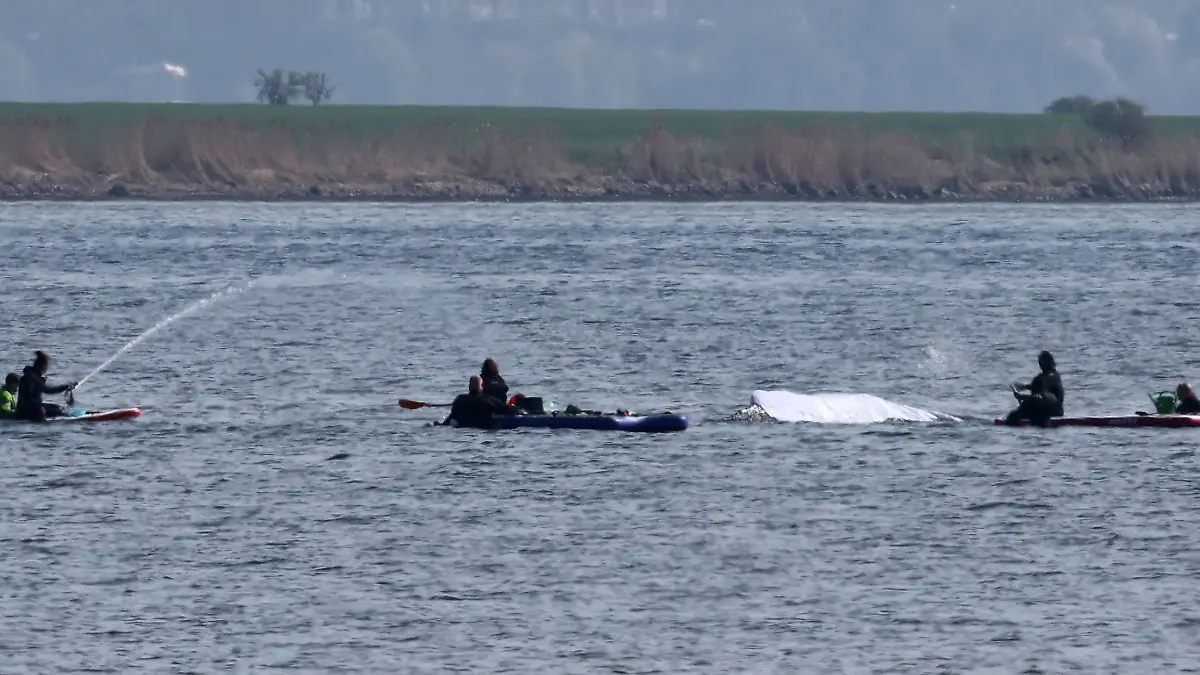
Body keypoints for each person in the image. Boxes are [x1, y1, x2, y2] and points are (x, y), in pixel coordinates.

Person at [1004, 350, 1064, 427]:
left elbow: (1042, 394)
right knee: (1015, 414)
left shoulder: (1053, 376)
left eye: (1043, 361)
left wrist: (1022, 397)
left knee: (1031, 403)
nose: (1040, 364)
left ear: (1049, 362)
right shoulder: (1040, 377)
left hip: (1052, 410)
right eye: (1040, 361)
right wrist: (1023, 387)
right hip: (1038, 407)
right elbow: (1036, 388)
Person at [441, 375, 521, 429]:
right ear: (482, 386)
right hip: (480, 429)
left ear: (469, 386)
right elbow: (506, 410)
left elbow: (451, 417)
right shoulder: (487, 400)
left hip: (462, 429)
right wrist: (521, 410)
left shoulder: (459, 400)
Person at [16, 351, 77, 422]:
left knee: (59, 408)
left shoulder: (33, 375)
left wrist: (66, 386)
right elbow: (47, 390)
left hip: (29, 407)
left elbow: (42, 389)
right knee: (59, 411)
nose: (48, 368)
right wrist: (65, 387)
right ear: (43, 366)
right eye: (47, 366)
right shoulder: (31, 377)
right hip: (26, 411)